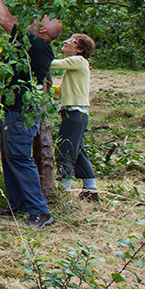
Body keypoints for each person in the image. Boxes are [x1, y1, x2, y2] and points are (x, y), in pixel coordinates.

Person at [0, 0, 62, 228]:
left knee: (19, 157)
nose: (30, 21)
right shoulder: (35, 45)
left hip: (20, 112)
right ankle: (18, 203)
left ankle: (41, 212)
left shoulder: (36, 45)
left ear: (41, 30)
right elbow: (12, 19)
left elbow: (5, 20)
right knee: (10, 156)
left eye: (36, 20)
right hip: (14, 110)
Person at [51, 33, 98, 201]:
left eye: (71, 41)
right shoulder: (76, 65)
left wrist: (38, 55)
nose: (65, 42)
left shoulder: (78, 61)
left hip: (74, 113)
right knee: (77, 150)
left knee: (65, 149)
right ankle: (90, 189)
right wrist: (51, 89)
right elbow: (63, 89)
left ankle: (64, 189)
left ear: (79, 49)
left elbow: (52, 64)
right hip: (78, 114)